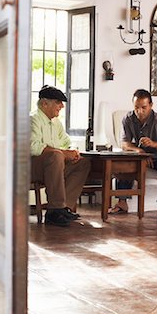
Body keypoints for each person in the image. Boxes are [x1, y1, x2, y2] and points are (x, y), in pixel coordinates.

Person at [30, 85, 91, 227]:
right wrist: (62, 153)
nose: (62, 106)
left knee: (83, 162)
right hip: (31, 168)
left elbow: (66, 142)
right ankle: (54, 211)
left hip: (53, 167)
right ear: (45, 103)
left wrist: (72, 152)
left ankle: (64, 208)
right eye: (58, 102)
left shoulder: (56, 122)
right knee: (56, 155)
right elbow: (32, 147)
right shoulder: (33, 119)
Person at [108, 89, 157, 219]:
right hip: (139, 156)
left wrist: (153, 144)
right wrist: (139, 151)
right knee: (124, 157)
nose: (140, 111)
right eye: (136, 107)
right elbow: (124, 143)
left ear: (151, 105)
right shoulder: (128, 119)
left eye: (144, 108)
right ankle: (122, 202)